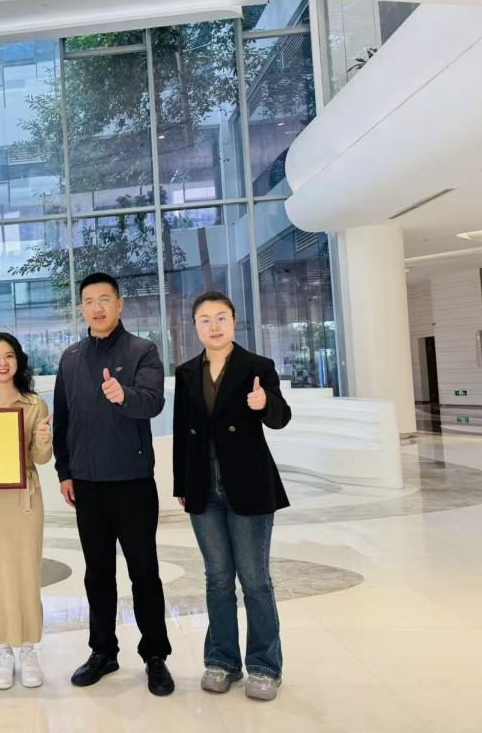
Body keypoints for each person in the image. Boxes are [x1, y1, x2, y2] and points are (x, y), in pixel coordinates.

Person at [52, 271, 175, 696]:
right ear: (81, 308)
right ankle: (103, 651)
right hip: (87, 484)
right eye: (89, 301)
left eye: (105, 299)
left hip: (132, 481)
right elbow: (63, 421)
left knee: (144, 571)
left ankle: (155, 655)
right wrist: (65, 472)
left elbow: (154, 402)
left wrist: (125, 396)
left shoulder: (143, 350)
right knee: (98, 574)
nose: (97, 307)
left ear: (119, 305)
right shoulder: (70, 358)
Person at [172, 291, 292, 701]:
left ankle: (265, 666)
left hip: (249, 481)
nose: (214, 326)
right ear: (195, 327)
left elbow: (281, 417)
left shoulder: (257, 366)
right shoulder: (187, 372)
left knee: (255, 580)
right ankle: (222, 660)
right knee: (218, 578)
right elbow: (181, 433)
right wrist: (182, 485)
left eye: (221, 317)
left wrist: (265, 402)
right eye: (205, 320)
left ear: (234, 321)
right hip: (203, 484)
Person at [0, 333, 53, 690]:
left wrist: (44, 440)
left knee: (26, 572)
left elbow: (41, 459)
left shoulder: (34, 403)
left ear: (19, 361)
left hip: (24, 500)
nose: (2, 363)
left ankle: (28, 648)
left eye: (9, 356)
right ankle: (4, 649)